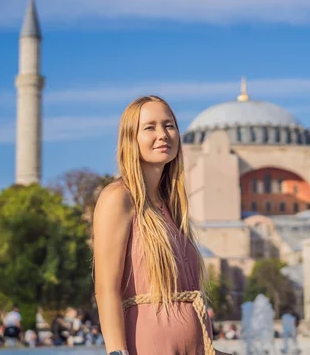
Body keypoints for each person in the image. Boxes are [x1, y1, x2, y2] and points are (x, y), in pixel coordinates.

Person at [92, 96, 231, 355]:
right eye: (150, 127)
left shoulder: (171, 207)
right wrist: (116, 353)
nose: (163, 134)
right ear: (130, 138)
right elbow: (106, 290)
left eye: (169, 125)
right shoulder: (119, 198)